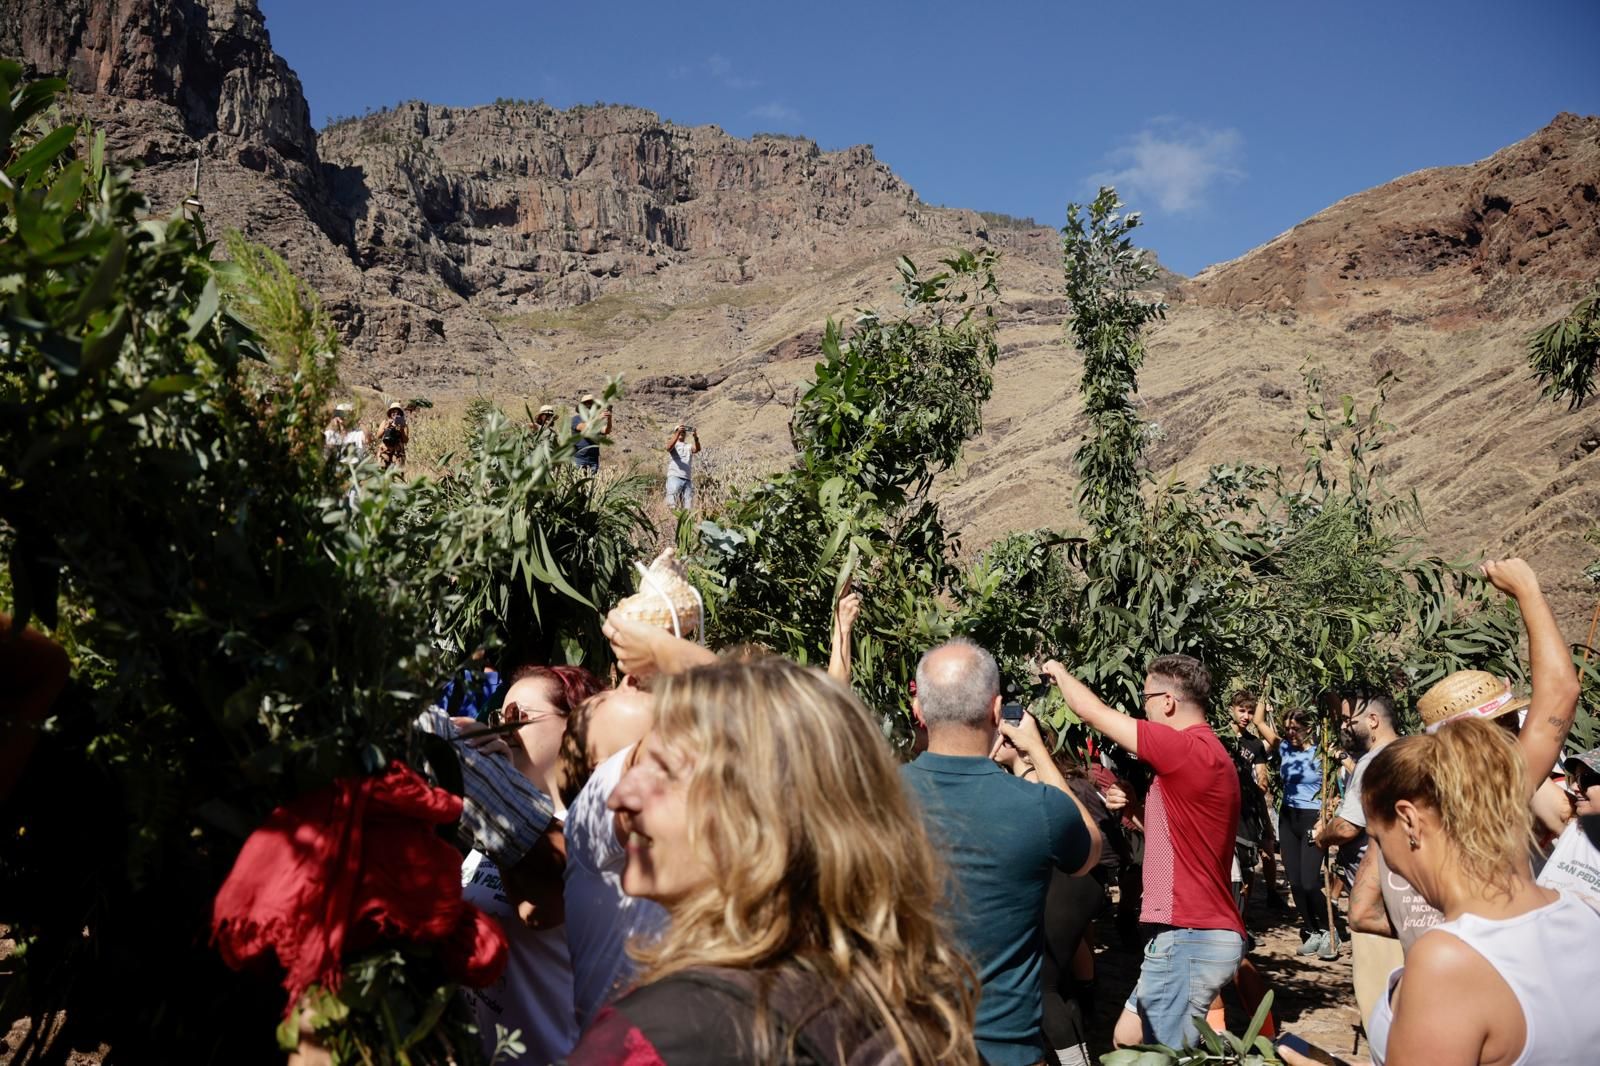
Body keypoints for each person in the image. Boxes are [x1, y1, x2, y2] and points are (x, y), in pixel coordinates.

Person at [567, 656, 982, 1065]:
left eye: (664, 771)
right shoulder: (916, 1017)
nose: (619, 797)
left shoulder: (658, 1039)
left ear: (762, 816)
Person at [1348, 559, 1580, 956]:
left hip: (1431, 966)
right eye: (1508, 722)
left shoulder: (1400, 805)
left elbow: (1361, 912)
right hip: (1500, 965)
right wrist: (1527, 590)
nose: (1516, 732)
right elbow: (1561, 691)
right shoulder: (1492, 794)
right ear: (1484, 737)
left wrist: (1432, 933)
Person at [901, 639, 1100, 1066]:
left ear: (918, 711)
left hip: (900, 1044)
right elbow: (1089, 848)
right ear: (997, 711)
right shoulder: (1040, 808)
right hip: (1006, 1049)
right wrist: (1036, 751)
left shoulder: (868, 797)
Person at [1358, 716, 1600, 1066]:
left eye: (1380, 840)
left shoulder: (1446, 962)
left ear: (1409, 821)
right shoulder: (1584, 913)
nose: (1389, 864)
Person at [1043, 654, 1246, 1050]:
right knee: (1128, 1038)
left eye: (1146, 697)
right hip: (1191, 933)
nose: (1144, 708)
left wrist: (1058, 672)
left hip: (1189, 934)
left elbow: (1091, 712)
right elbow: (1180, 841)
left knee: (1164, 1055)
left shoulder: (1185, 747)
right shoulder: (1208, 755)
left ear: (1168, 701)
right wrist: (1134, 809)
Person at [453, 664, 602, 1066]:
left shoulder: (589, 831)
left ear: (575, 727)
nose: (504, 729)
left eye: (518, 716)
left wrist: (499, 786)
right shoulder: (494, 825)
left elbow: (537, 905)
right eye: (498, 717)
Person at [1253, 705, 1336, 958]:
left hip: (1313, 819)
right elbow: (1259, 722)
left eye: (1295, 729)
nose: (1290, 733)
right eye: (1287, 728)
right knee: (1296, 883)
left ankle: (1329, 930)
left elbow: (1332, 791)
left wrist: (1325, 819)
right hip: (1288, 818)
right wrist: (1264, 692)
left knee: (1310, 882)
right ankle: (1311, 930)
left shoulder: (1322, 752)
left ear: (1308, 728)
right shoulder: (1284, 748)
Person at [1536, 745, 1600, 900]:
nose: (1573, 786)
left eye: (1586, 779)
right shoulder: (1575, 830)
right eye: (1575, 778)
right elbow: (1523, 770)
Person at [664, 422, 701, 508]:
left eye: (683, 431)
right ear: (675, 433)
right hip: (675, 476)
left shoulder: (688, 446)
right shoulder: (673, 444)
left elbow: (697, 449)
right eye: (679, 431)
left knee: (688, 506)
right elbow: (668, 447)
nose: (681, 433)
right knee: (672, 504)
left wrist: (695, 438)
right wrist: (677, 433)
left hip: (687, 479)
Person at [572, 394, 612, 473]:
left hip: (593, 459)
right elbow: (583, 428)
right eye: (586, 404)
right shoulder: (576, 419)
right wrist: (598, 418)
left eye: (591, 404)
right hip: (579, 458)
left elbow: (606, 431)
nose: (589, 406)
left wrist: (609, 419)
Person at [376, 400, 408, 471]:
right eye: (393, 411)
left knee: (397, 472)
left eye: (397, 412)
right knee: (382, 471)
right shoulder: (385, 422)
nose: (395, 413)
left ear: (400, 413)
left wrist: (402, 429)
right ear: (390, 413)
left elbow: (406, 440)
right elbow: (378, 436)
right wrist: (386, 426)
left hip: (398, 452)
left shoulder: (404, 424)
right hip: (385, 450)